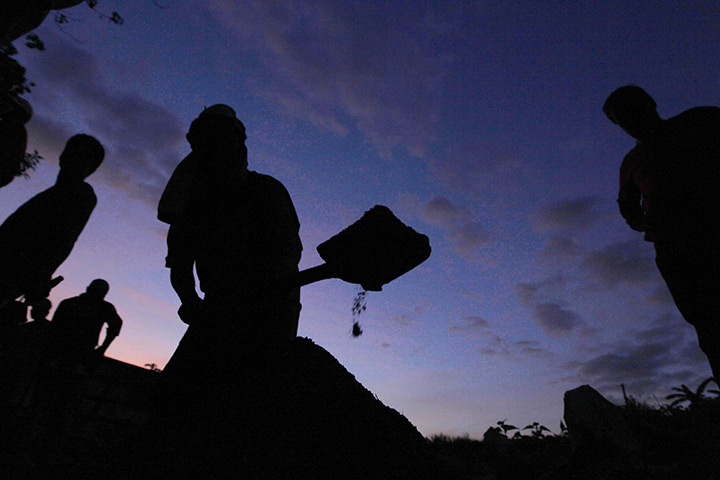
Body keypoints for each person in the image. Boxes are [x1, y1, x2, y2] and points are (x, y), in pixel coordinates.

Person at [154, 105, 302, 477]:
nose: (216, 147)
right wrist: (189, 300)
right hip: (217, 311)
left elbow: (287, 253)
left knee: (248, 411)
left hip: (269, 313)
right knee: (174, 406)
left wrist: (261, 293)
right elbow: (180, 264)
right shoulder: (193, 206)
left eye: (225, 138)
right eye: (207, 140)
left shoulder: (265, 190)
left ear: (239, 144)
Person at [604, 85, 720, 379]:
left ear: (650, 104)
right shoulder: (631, 163)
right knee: (707, 321)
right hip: (676, 248)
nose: (629, 121)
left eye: (631, 110)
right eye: (621, 119)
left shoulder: (699, 121)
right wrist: (641, 222)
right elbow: (626, 205)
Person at [0, 134, 104, 310]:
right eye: (71, 153)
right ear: (62, 156)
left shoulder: (80, 195)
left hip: (10, 274)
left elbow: (65, 238)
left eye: (82, 157)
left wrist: (40, 277)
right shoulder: (50, 195)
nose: (72, 159)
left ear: (90, 168)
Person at [49, 279, 122, 362]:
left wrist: (103, 348)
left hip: (83, 351)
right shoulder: (69, 303)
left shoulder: (105, 308)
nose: (97, 294)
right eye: (97, 291)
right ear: (88, 289)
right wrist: (102, 348)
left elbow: (116, 325)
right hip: (61, 348)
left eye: (101, 292)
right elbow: (54, 326)